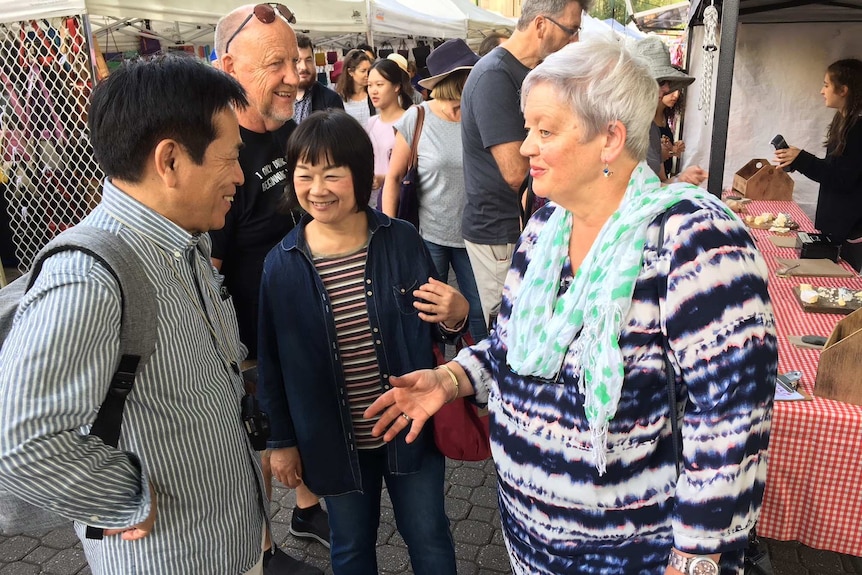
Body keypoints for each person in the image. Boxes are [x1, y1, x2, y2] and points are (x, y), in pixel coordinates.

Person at [366, 38, 777, 575]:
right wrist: (451, 379)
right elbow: (513, 345)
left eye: (545, 129)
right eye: (528, 127)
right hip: (529, 542)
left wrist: (697, 558)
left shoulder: (695, 240)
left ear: (609, 138)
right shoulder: (544, 228)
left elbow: (732, 418)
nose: (526, 147)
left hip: (636, 556)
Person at [0, 53, 270, 574]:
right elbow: (19, 442)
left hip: (226, 542)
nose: (241, 174)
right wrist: (125, 499)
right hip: (174, 557)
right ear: (169, 160)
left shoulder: (185, 240)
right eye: (230, 157)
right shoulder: (91, 277)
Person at [257, 110, 467, 575]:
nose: (318, 189)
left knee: (429, 536)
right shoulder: (282, 265)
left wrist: (457, 316)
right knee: (351, 549)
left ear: (358, 173)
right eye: (305, 175)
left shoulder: (403, 241)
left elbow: (438, 324)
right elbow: (272, 363)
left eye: (332, 174)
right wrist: (282, 441)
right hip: (333, 438)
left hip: (410, 429)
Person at [212, 6, 328, 573]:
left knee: (300, 423)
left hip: (300, 323)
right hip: (247, 341)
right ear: (229, 65)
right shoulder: (215, 151)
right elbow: (207, 265)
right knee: (255, 445)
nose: (294, 73)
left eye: (296, 59)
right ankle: (259, 546)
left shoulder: (294, 135)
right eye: (275, 63)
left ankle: (306, 508)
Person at [461, 0, 587, 331]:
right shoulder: (495, 76)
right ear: (542, 25)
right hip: (501, 230)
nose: (574, 41)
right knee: (514, 328)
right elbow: (516, 172)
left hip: (522, 225)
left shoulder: (527, 72)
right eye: (570, 30)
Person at [382, 39, 488, 342]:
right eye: (471, 74)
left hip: (475, 236)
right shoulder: (418, 117)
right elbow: (393, 178)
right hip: (430, 237)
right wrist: (390, 232)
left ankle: (481, 377)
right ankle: (433, 373)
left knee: (479, 311)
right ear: (455, 80)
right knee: (427, 314)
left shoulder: (480, 115)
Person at [774, 59, 862, 255]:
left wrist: (802, 159)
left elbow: (843, 179)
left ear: (843, 90)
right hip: (836, 225)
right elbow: (833, 169)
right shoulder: (844, 120)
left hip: (850, 231)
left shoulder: (857, 128)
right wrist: (796, 159)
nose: (822, 91)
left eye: (826, 85)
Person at [633, 36, 707, 186]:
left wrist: (681, 179)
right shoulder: (616, 129)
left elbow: (659, 183)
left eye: (667, 83)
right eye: (661, 82)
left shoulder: (651, 129)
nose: (667, 89)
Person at [365, 58, 413, 209]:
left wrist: (383, 179)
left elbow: (413, 171)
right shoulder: (371, 123)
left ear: (397, 86)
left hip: (399, 202)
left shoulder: (409, 120)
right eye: (369, 85)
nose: (373, 91)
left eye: (379, 85)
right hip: (370, 202)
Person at [294, 34, 344, 124]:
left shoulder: (330, 100)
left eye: (308, 60)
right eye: (297, 61)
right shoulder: (276, 100)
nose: (304, 67)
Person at [335, 49, 375, 127]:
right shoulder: (339, 98)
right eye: (363, 71)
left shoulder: (373, 94)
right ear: (350, 72)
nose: (367, 74)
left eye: (369, 70)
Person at [656, 88, 685, 177]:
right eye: (672, 90)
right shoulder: (647, 120)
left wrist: (673, 149)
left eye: (679, 90)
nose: (676, 95)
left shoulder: (665, 115)